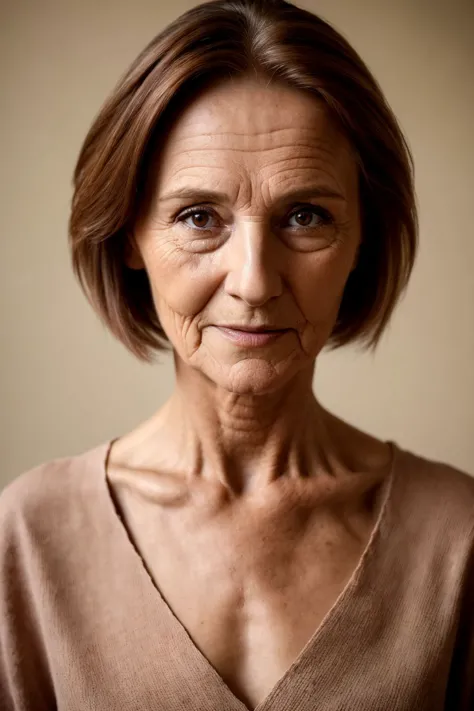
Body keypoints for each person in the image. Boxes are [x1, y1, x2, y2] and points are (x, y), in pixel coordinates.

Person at [1, 0, 473, 709]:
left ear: (362, 239)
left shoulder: (458, 539)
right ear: (129, 235)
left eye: (305, 216)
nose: (253, 281)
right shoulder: (29, 538)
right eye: (199, 217)